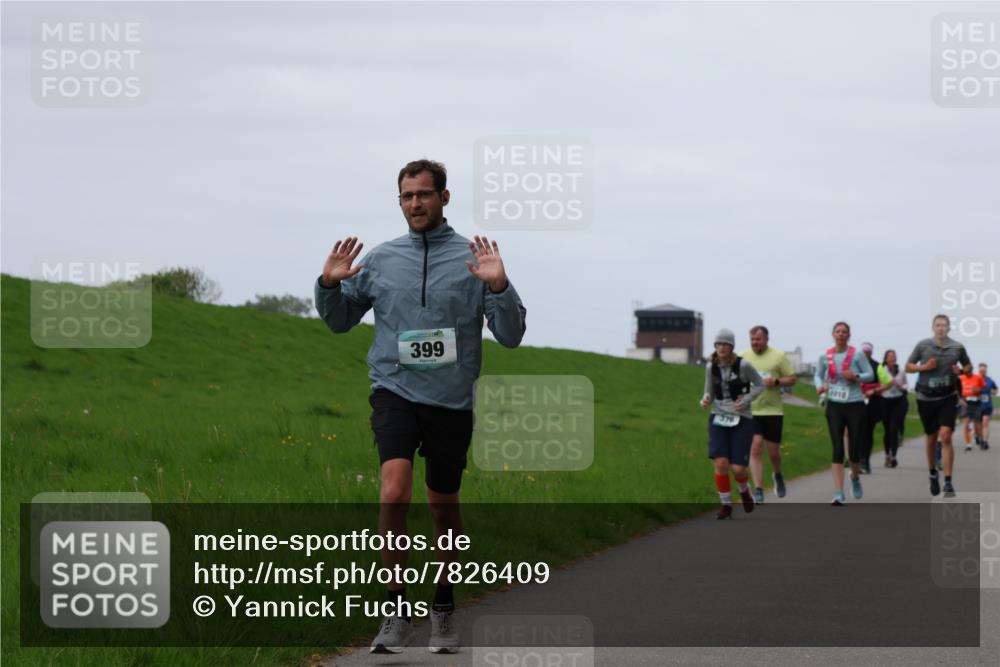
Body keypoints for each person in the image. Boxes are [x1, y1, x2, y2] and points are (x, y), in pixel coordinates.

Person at [315, 159, 527, 654]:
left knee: (442, 507)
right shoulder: (383, 260)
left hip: (451, 400)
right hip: (393, 389)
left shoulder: (474, 260)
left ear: (444, 198)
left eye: (424, 195)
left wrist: (499, 286)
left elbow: (512, 336)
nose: (415, 204)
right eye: (407, 196)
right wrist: (328, 285)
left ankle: (444, 607)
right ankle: (394, 611)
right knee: (393, 491)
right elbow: (340, 320)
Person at [700, 328, 764, 519]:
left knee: (738, 468)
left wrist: (746, 400)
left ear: (732, 347)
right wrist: (705, 399)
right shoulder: (711, 366)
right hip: (718, 416)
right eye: (718, 344)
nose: (721, 348)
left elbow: (760, 384)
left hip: (741, 418)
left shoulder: (743, 365)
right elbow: (708, 391)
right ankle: (726, 505)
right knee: (720, 463)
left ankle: (744, 491)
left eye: (725, 344)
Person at [905, 315, 971, 498]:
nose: (941, 328)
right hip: (925, 398)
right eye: (938, 325)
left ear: (949, 328)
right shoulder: (923, 345)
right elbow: (908, 367)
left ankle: (948, 482)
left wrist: (961, 371)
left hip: (948, 397)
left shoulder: (957, 347)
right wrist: (924, 367)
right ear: (933, 328)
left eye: (944, 325)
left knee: (946, 435)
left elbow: (968, 367)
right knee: (932, 438)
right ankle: (932, 472)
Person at [814, 322, 874, 505]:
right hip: (834, 405)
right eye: (837, 331)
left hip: (855, 404)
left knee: (854, 450)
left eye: (844, 332)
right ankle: (839, 492)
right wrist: (820, 386)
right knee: (838, 448)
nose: (840, 334)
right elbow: (818, 374)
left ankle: (855, 478)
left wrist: (855, 377)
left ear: (849, 336)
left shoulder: (856, 354)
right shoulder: (826, 356)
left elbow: (870, 374)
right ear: (833, 334)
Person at [739, 325, 796, 503]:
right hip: (751, 410)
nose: (755, 343)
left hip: (773, 411)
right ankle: (758, 489)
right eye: (752, 340)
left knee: (774, 454)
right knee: (755, 447)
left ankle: (777, 475)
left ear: (766, 339)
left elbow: (792, 378)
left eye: (758, 339)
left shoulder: (778, 356)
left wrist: (777, 381)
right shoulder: (743, 357)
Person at [859, 342, 892, 474]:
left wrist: (874, 390)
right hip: (856, 401)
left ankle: (865, 462)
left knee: (867, 432)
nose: (866, 354)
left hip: (873, 402)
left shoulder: (877, 366)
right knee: (857, 432)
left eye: (868, 351)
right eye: (863, 351)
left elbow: (889, 383)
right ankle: (857, 460)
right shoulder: (854, 365)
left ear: (871, 353)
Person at [880, 349, 908, 468]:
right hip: (885, 401)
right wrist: (884, 386)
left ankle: (894, 456)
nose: (892, 358)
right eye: (890, 356)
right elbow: (878, 384)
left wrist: (901, 387)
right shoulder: (882, 370)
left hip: (898, 401)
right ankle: (887, 454)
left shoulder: (901, 371)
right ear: (886, 359)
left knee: (894, 428)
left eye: (894, 356)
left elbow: (906, 384)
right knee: (887, 430)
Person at [958, 367, 986, 452]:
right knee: (966, 423)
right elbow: (956, 389)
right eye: (965, 373)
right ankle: (968, 444)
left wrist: (979, 389)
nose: (967, 374)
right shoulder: (960, 378)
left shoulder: (978, 377)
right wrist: (960, 399)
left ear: (971, 371)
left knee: (977, 424)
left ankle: (978, 437)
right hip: (965, 402)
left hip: (975, 402)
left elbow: (984, 387)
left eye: (969, 372)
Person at [979, 363, 997, 449]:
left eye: (984, 371)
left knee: (985, 422)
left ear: (986, 371)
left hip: (987, 405)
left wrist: (994, 392)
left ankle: (985, 441)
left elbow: (995, 389)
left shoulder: (990, 380)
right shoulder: (975, 379)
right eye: (981, 370)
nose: (983, 372)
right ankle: (979, 437)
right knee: (979, 425)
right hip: (977, 406)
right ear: (979, 371)